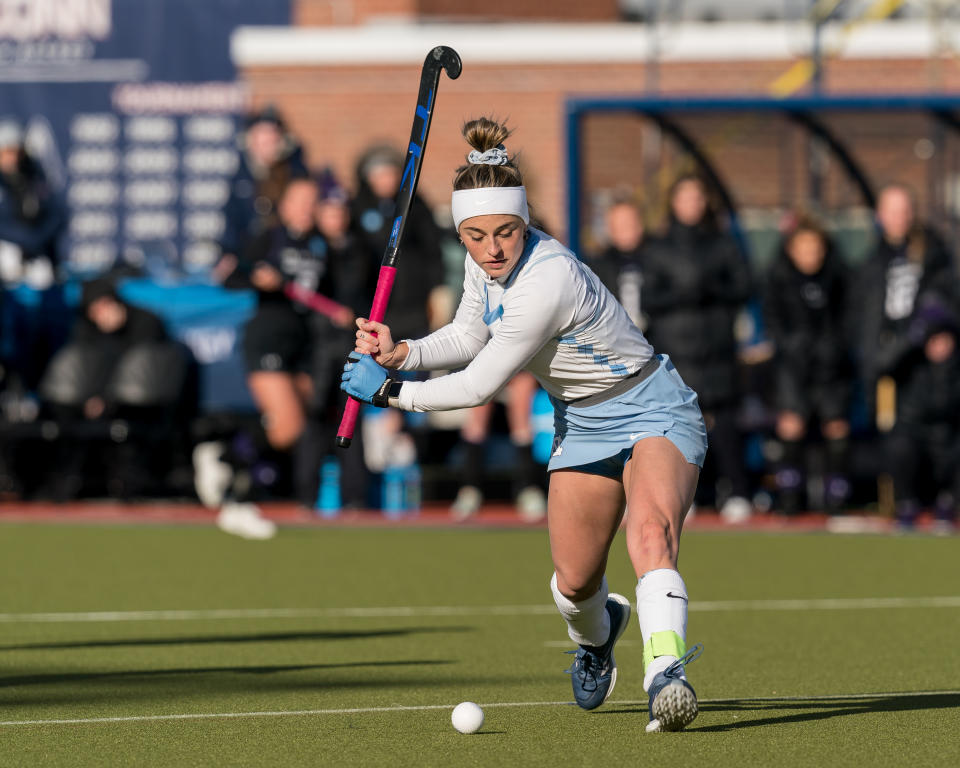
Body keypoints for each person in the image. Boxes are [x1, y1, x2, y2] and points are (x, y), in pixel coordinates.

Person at [341, 118, 708, 732]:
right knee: (574, 584)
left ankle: (665, 673)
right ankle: (599, 638)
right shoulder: (479, 265)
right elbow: (465, 334)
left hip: (651, 406)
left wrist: (388, 392)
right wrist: (402, 352)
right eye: (476, 236)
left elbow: (480, 384)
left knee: (650, 535)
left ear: (526, 222)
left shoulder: (549, 277)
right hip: (582, 423)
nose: (492, 249)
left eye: (506, 232)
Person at [209, 176, 353, 536]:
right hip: (268, 340)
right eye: (299, 201)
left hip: (303, 347)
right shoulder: (269, 238)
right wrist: (257, 278)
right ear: (285, 205)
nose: (306, 209)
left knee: (299, 427)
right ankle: (227, 467)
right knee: (287, 427)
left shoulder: (321, 245)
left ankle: (237, 472)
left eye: (312, 202)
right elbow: (229, 276)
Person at [641, 174, 752, 522]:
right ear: (674, 202)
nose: (691, 204)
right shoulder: (657, 247)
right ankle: (686, 496)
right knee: (679, 426)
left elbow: (744, 286)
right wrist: (682, 295)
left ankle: (737, 492)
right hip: (676, 350)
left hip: (716, 349)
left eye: (697, 197)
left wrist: (710, 290)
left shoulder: (723, 243)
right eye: (684, 197)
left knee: (725, 424)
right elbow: (649, 298)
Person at [763, 216, 852, 515]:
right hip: (793, 367)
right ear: (791, 249)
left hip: (831, 367)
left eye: (815, 248)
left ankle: (837, 493)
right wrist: (792, 345)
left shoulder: (839, 278)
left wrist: (834, 347)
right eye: (803, 248)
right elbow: (772, 322)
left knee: (836, 423)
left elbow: (850, 320)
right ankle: (790, 494)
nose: (810, 255)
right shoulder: (777, 278)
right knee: (791, 423)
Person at [853, 183, 956, 415]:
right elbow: (862, 319)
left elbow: (943, 298)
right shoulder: (870, 262)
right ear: (880, 215)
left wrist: (937, 330)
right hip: (887, 369)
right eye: (892, 211)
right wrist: (875, 361)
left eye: (904, 210)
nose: (899, 218)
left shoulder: (933, 251)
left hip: (926, 366)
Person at [882, 295, 960, 533]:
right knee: (900, 447)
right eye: (933, 340)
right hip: (916, 441)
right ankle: (907, 505)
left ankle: (949, 503)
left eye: (944, 339)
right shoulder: (910, 363)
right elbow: (883, 367)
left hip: (949, 444)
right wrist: (910, 341)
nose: (940, 347)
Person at [217, 106, 309, 269]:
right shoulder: (240, 176)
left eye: (273, 135)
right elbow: (232, 218)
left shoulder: (293, 172)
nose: (269, 141)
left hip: (285, 255)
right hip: (248, 256)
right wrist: (228, 253)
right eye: (263, 134)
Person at [449, 371, 547, 522]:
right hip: (487, 359)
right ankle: (470, 491)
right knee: (477, 420)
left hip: (520, 361)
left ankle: (528, 489)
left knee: (522, 415)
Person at [589, 196, 645, 328]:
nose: (625, 229)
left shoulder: (656, 260)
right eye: (619, 224)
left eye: (629, 223)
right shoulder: (598, 268)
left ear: (640, 225)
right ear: (610, 229)